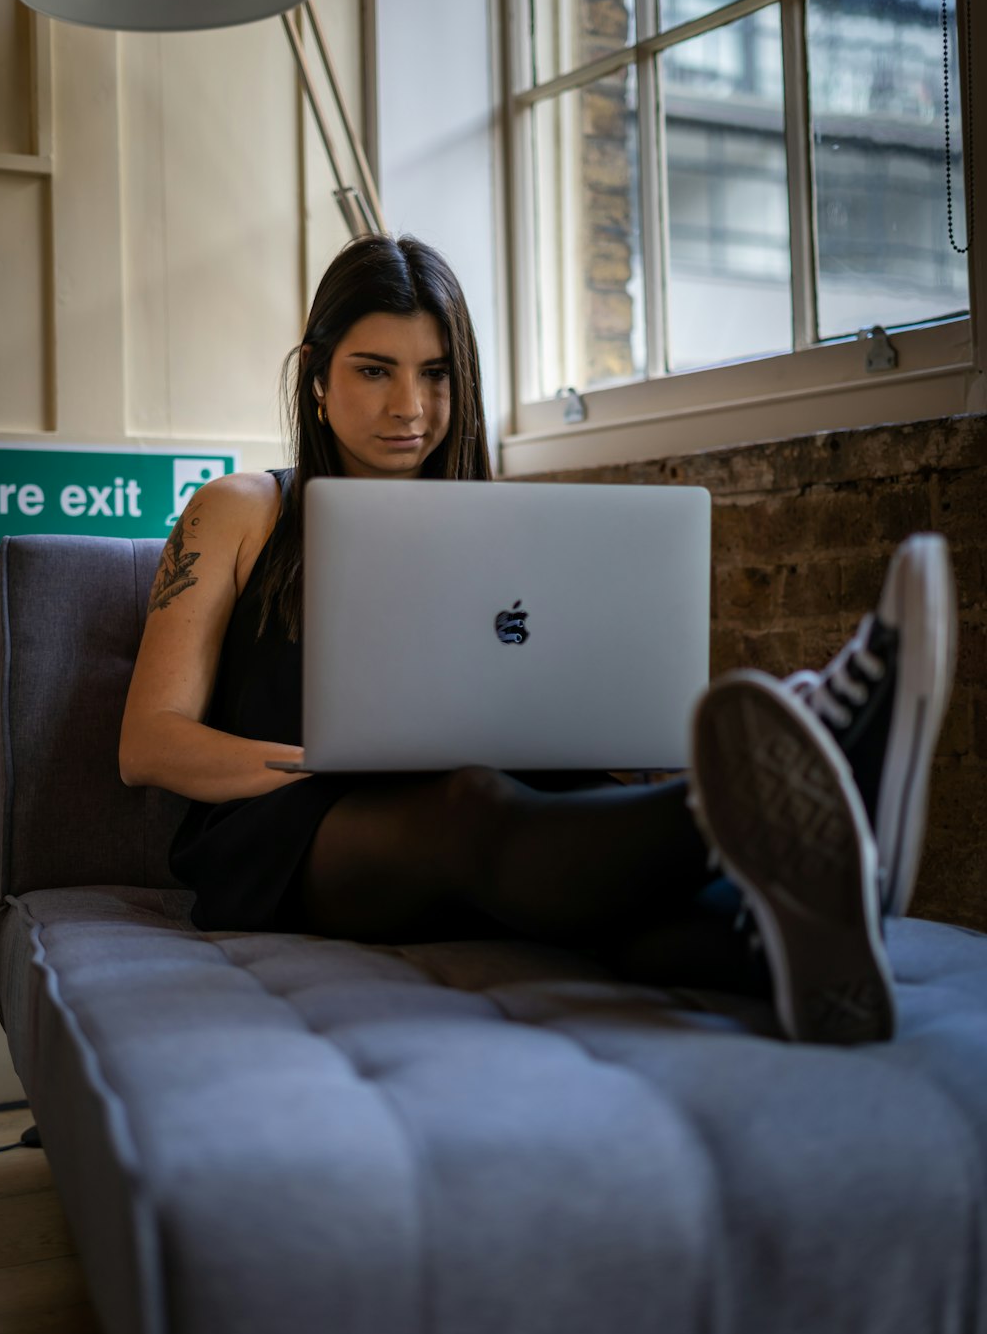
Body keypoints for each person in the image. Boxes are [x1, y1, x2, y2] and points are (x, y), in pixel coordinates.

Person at [119, 233, 957, 1048]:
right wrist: (318, 758)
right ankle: (775, 782)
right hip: (295, 834)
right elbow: (148, 743)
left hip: (499, 802)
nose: (408, 406)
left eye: (436, 375)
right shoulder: (241, 508)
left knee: (584, 863)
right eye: (374, 371)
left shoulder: (506, 528)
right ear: (315, 377)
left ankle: (810, 950)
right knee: (469, 805)